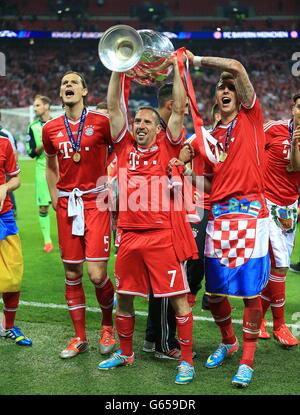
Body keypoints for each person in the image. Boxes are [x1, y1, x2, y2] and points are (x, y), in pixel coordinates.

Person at [98, 57, 197, 385]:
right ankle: (126, 353)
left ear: (158, 127)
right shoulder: (124, 146)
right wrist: (118, 64)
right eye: (136, 120)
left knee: (179, 299)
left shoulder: (168, 147)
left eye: (146, 122)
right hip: (128, 236)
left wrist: (180, 70)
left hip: (162, 237)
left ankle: (185, 361)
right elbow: (113, 105)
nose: (139, 125)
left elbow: (180, 108)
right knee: (124, 297)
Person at [187, 52, 270, 388]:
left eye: (229, 88)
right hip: (219, 216)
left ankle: (247, 361)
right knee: (217, 291)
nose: (224, 89)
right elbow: (210, 182)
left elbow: (236, 66)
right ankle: (228, 341)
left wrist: (197, 61)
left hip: (251, 214)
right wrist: (184, 175)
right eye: (220, 88)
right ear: (215, 99)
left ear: (238, 97)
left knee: (250, 293)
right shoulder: (206, 138)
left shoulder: (250, 118)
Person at [42, 71, 117, 359]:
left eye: (74, 82)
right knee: (72, 273)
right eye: (63, 83)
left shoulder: (101, 122)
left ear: (85, 91)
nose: (68, 86)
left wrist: (110, 181)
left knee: (97, 274)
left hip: (96, 203)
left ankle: (107, 326)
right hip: (68, 206)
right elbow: (51, 166)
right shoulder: (50, 129)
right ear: (60, 93)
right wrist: (54, 198)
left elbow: (119, 150)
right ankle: (79, 337)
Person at [143, 83, 209, 361]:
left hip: (147, 215)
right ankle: (164, 342)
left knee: (162, 282)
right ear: (172, 106)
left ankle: (151, 337)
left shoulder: (144, 137)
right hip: (163, 217)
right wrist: (179, 68)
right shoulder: (167, 136)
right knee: (171, 282)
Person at [258, 92, 300, 347]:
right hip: (266, 202)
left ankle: (258, 319)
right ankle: (280, 325)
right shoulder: (273, 129)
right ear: (292, 108)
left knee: (275, 264)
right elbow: (249, 148)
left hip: (290, 207)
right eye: (299, 106)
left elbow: (295, 167)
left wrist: (295, 144)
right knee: (281, 265)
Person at [0, 133, 32, 346]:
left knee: (13, 275)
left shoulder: (4, 144)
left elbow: (16, 178)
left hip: (4, 216)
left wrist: (5, 187)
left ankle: (9, 326)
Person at [26, 95, 53, 253]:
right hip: (41, 170)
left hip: (59, 170)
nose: (35, 108)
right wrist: (44, 143)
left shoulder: (58, 123)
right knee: (43, 207)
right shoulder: (33, 127)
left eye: (37, 105)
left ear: (46, 106)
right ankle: (48, 241)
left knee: (64, 206)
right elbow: (30, 153)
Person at [0, 111, 18, 217]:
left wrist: (6, 186)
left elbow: (16, 179)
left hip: (4, 212)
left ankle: (14, 208)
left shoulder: (5, 141)